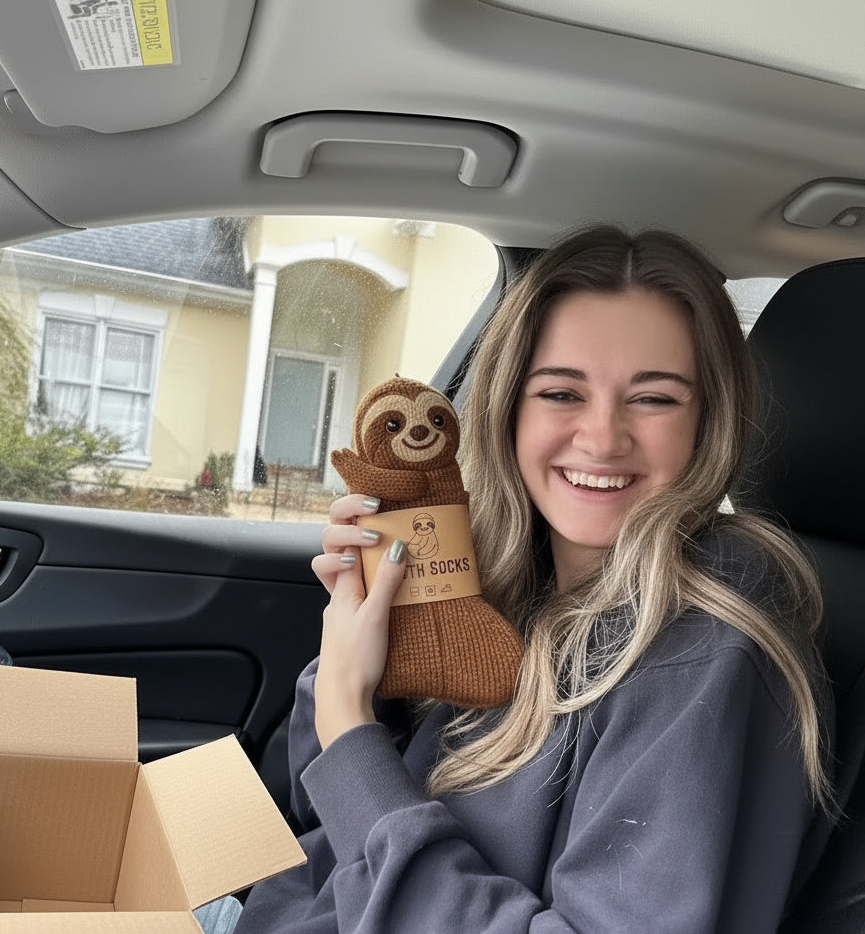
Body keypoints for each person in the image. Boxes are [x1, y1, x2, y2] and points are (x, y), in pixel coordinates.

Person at [226, 224, 833, 934]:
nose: (602, 437)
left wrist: (348, 728)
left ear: (709, 422)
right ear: (508, 407)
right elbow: (322, 810)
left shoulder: (707, 653)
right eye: (561, 393)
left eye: (655, 398)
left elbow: (350, 777)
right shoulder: (505, 574)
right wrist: (359, 653)